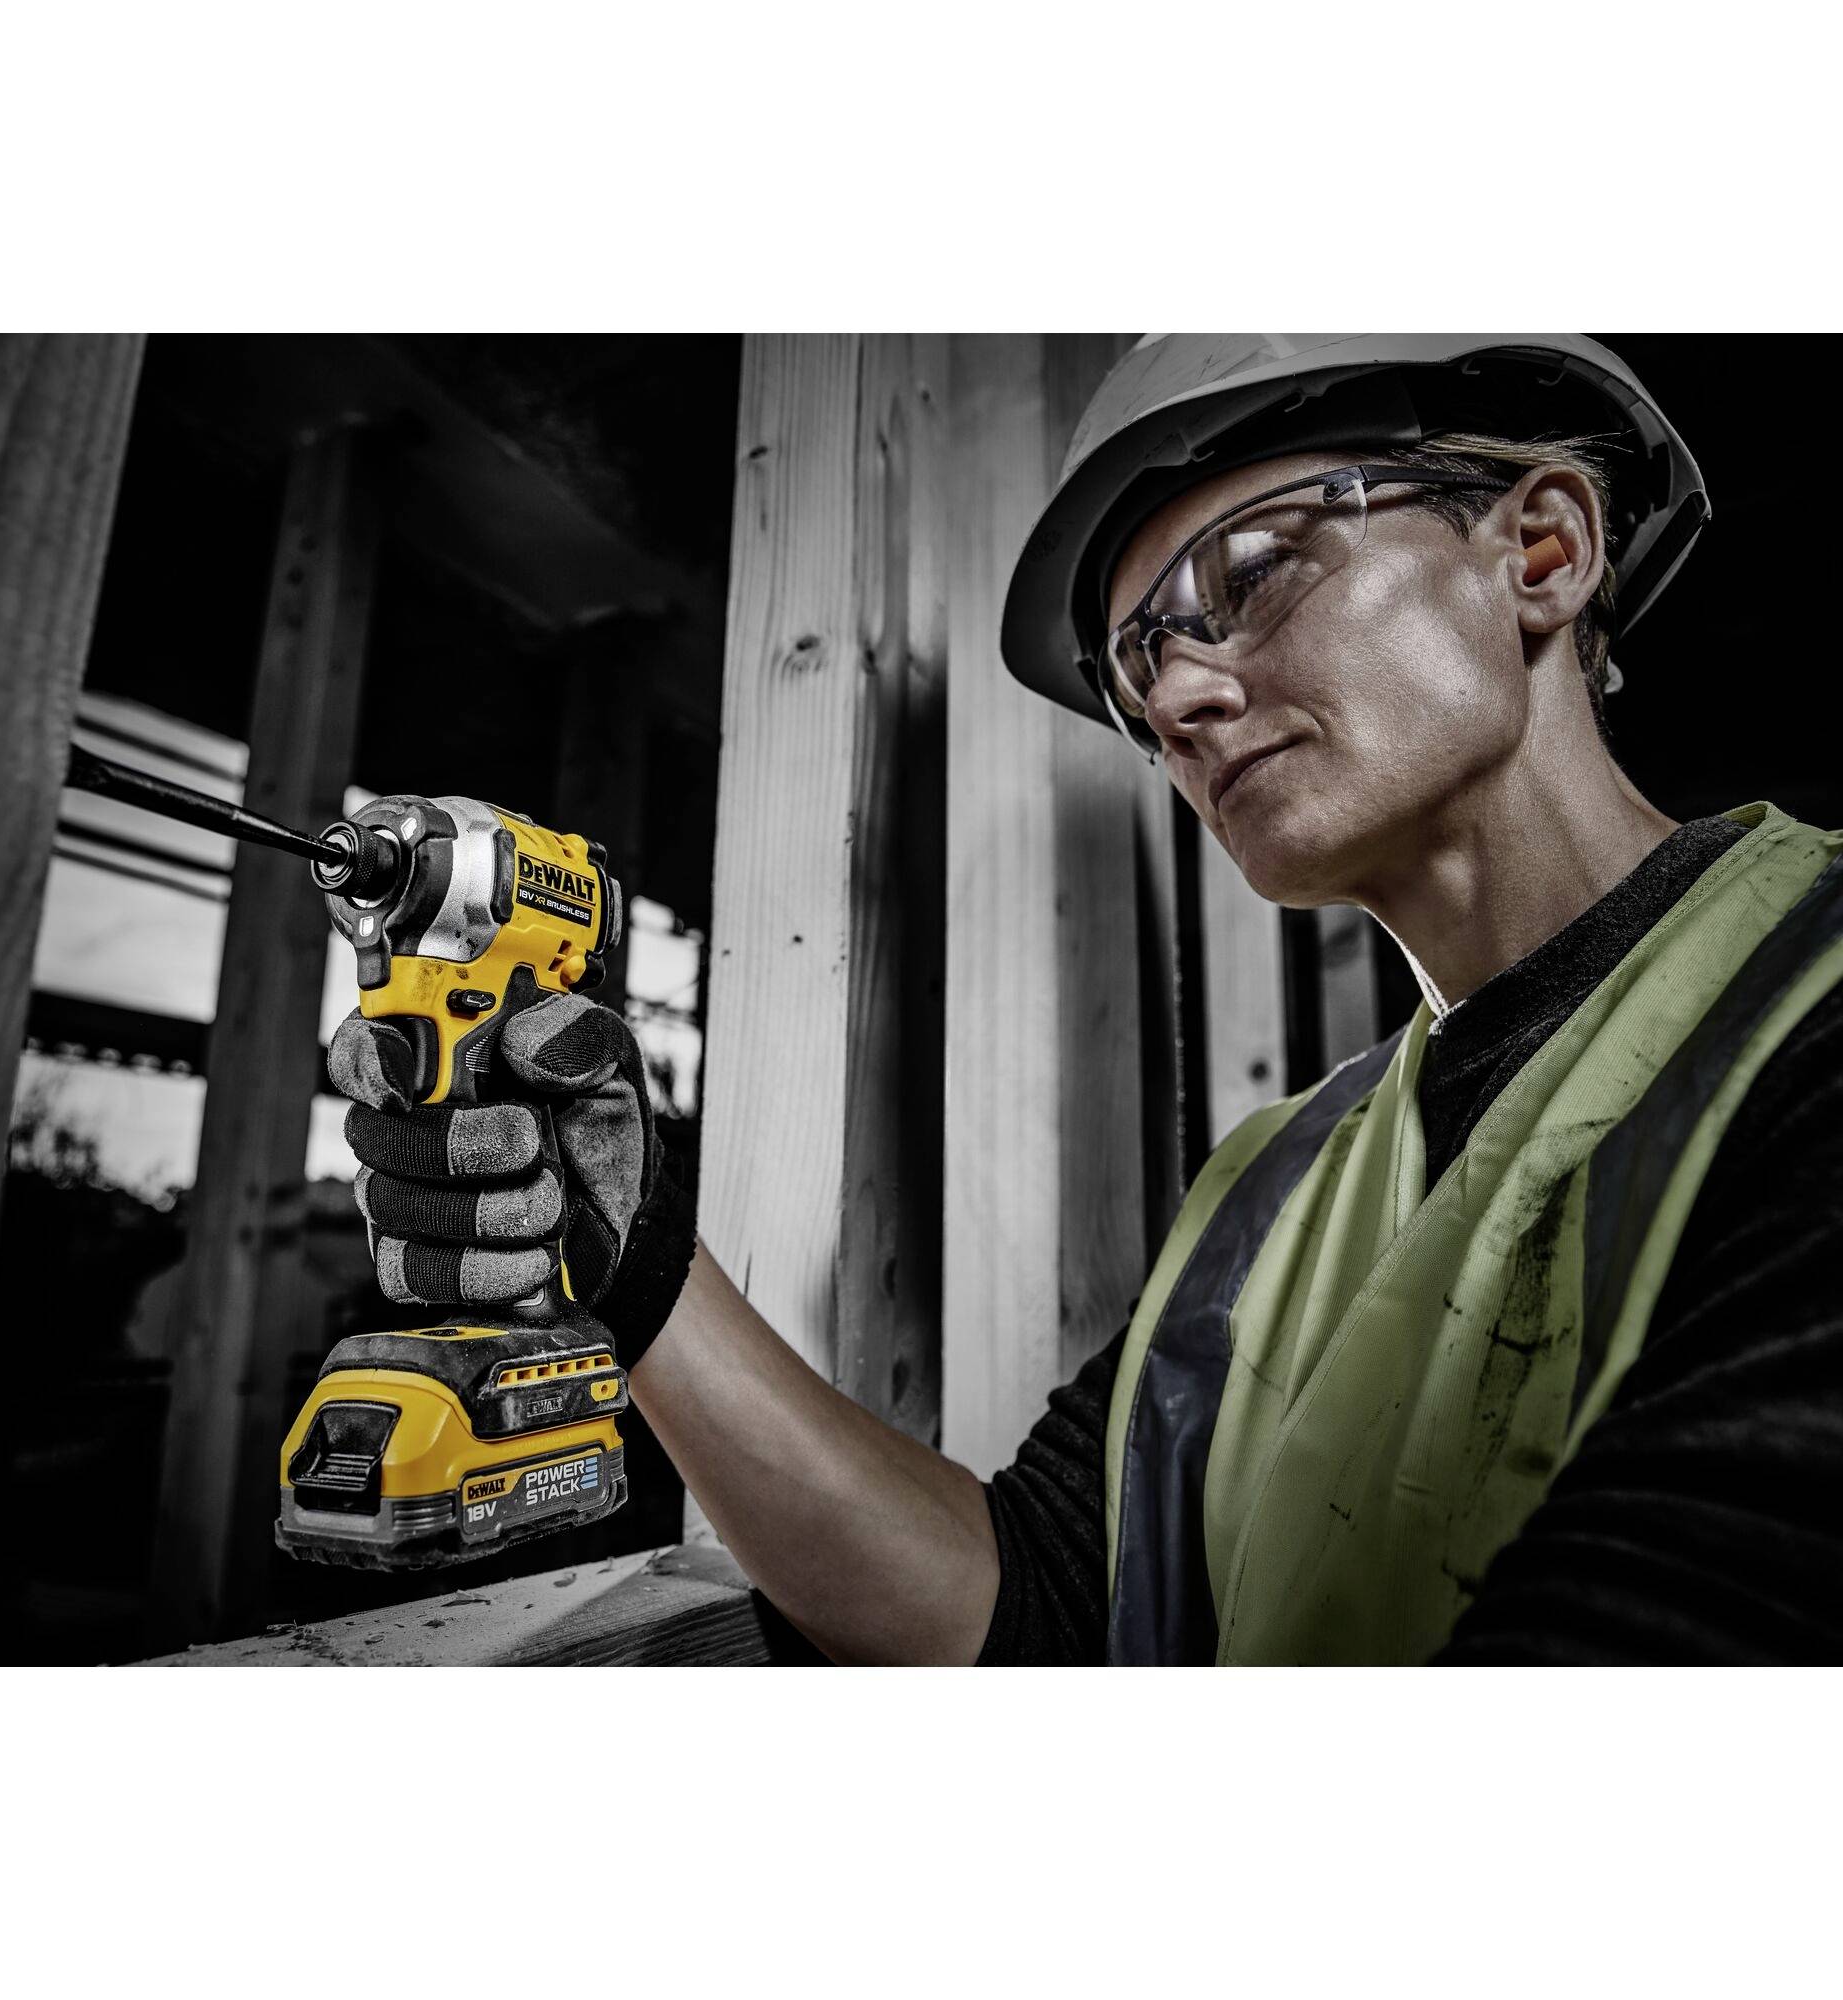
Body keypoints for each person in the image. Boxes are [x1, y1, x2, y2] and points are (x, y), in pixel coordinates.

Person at [329, 335, 1843, 1665]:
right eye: (1144, 660)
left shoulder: (1808, 989)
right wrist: (638, 1252)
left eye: (1250, 573)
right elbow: (1025, 1604)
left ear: (1542, 552)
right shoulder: (1273, 1189)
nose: (1179, 701)